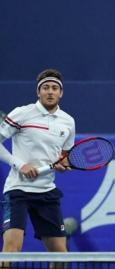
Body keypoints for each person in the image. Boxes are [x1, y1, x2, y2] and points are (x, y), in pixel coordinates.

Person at [0, 69, 75, 258]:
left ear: (61, 93)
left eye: (55, 88)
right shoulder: (22, 113)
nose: (50, 91)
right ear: (38, 92)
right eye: (46, 87)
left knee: (60, 255)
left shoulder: (68, 122)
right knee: (11, 250)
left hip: (46, 192)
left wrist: (63, 164)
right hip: (18, 190)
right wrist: (19, 164)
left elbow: (64, 156)